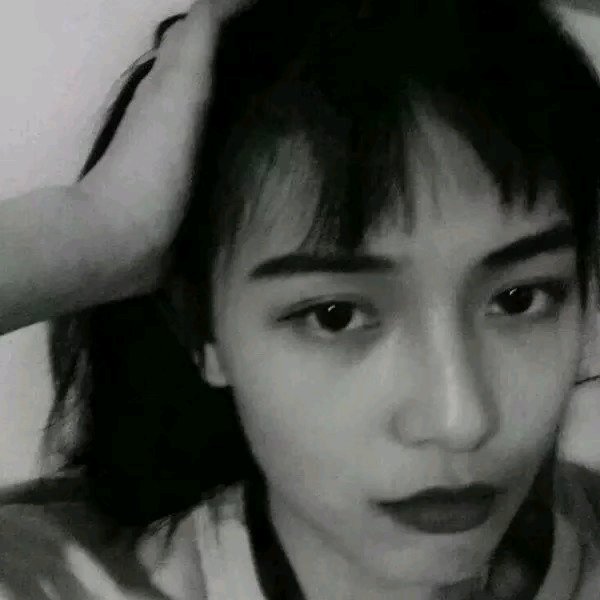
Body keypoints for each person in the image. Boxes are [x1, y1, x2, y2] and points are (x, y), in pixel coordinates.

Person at [1, 0, 600, 598]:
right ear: (201, 328)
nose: (460, 420)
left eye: (519, 299)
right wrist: (100, 230)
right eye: (336, 316)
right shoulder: (55, 578)